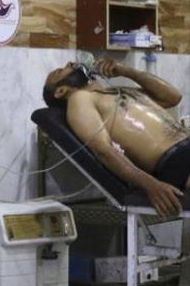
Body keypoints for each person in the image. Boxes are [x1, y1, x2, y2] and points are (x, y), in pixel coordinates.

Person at [43, 57, 188, 218]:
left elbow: (173, 97)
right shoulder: (81, 99)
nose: (70, 64)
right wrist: (151, 185)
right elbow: (104, 150)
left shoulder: (119, 91)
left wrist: (127, 71)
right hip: (176, 159)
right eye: (60, 71)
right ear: (61, 91)